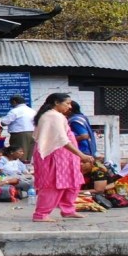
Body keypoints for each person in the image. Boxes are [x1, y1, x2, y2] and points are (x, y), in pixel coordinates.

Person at [31, 93, 94, 222]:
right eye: (67, 103)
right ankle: (41, 214)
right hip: (55, 156)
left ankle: (68, 210)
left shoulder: (55, 116)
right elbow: (62, 140)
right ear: (56, 103)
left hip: (66, 157)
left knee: (73, 184)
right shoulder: (53, 116)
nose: (69, 106)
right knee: (53, 185)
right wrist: (81, 155)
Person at [0, 95, 35, 163]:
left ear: (14, 102)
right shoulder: (31, 110)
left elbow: (4, 122)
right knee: (29, 152)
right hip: (32, 132)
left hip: (20, 134)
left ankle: (20, 166)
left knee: (18, 152)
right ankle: (26, 166)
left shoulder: (15, 111)